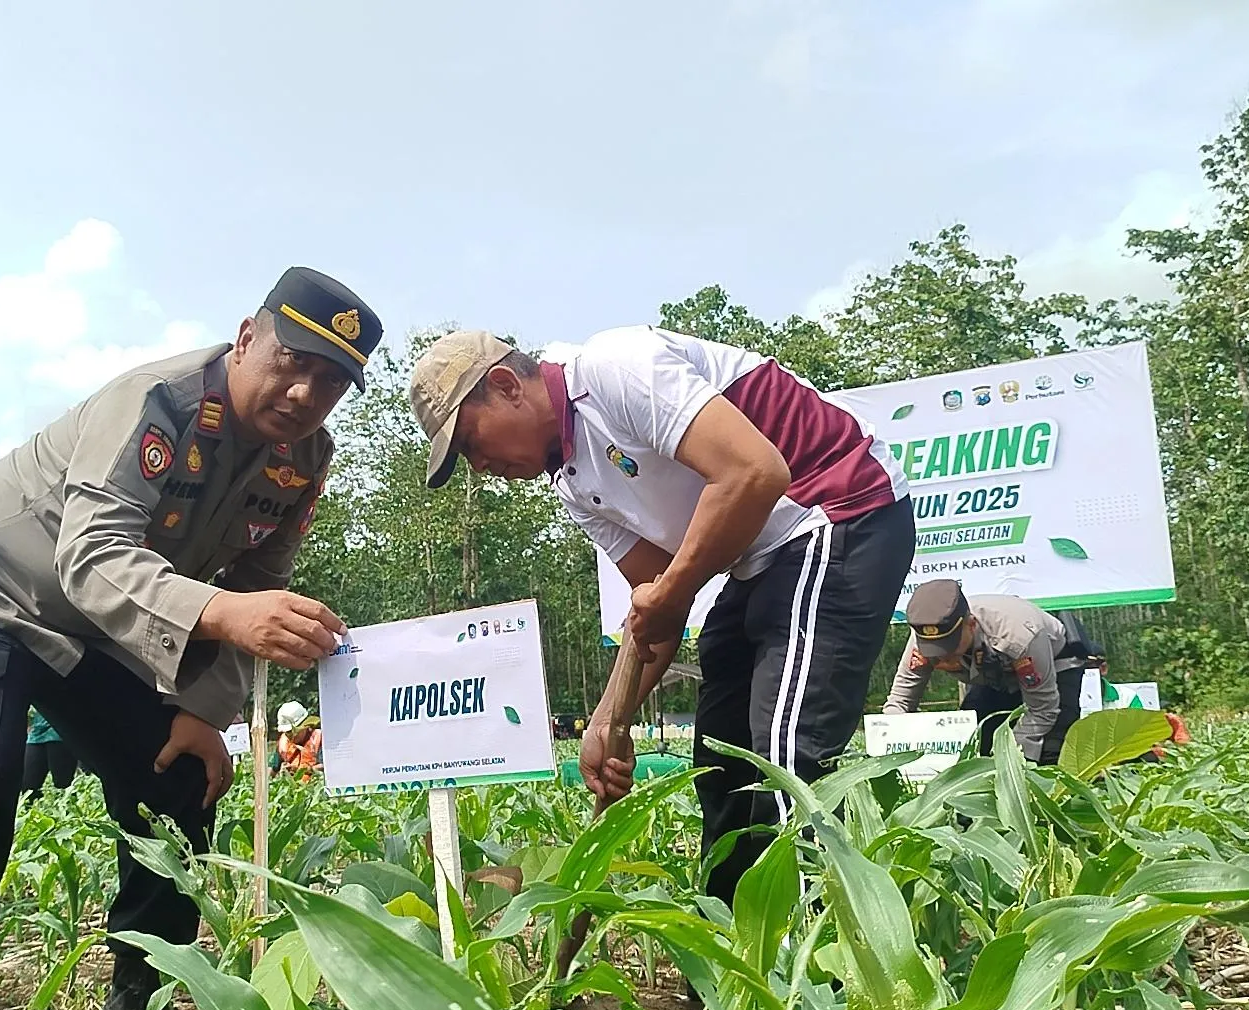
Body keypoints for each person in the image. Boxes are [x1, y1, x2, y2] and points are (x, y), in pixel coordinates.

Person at [0, 266, 378, 1010]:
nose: (302, 392)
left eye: (330, 381)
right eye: (292, 360)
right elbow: (92, 558)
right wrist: (225, 615)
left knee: (181, 780)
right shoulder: (159, 401)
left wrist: (200, 710)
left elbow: (254, 588)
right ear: (247, 338)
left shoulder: (305, 459)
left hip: (82, 629)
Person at [410, 325, 915, 910]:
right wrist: (607, 721)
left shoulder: (613, 369)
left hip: (838, 506)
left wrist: (672, 588)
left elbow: (756, 473)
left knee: (783, 754)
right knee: (719, 760)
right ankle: (736, 953)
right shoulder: (575, 488)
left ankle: (818, 962)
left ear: (506, 386)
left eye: (470, 442)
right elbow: (656, 614)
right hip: (762, 556)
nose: (478, 466)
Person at [880, 579, 1094, 765]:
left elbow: (1042, 709)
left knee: (1049, 751)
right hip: (994, 675)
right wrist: (889, 746)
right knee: (971, 741)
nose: (943, 657)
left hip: (1054, 667)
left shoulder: (1019, 636)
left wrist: (1011, 763)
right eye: (934, 651)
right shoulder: (923, 636)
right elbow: (899, 702)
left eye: (949, 646)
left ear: (971, 625)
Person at [21, 707, 77, 805]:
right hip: (36, 732)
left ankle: (70, 814)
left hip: (59, 732)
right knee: (28, 785)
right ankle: (33, 815)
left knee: (63, 783)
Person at [275, 714, 322, 780]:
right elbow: (271, 770)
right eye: (287, 732)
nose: (289, 736)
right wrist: (282, 772)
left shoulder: (319, 738)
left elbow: (328, 767)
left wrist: (305, 770)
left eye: (291, 731)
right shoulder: (283, 743)